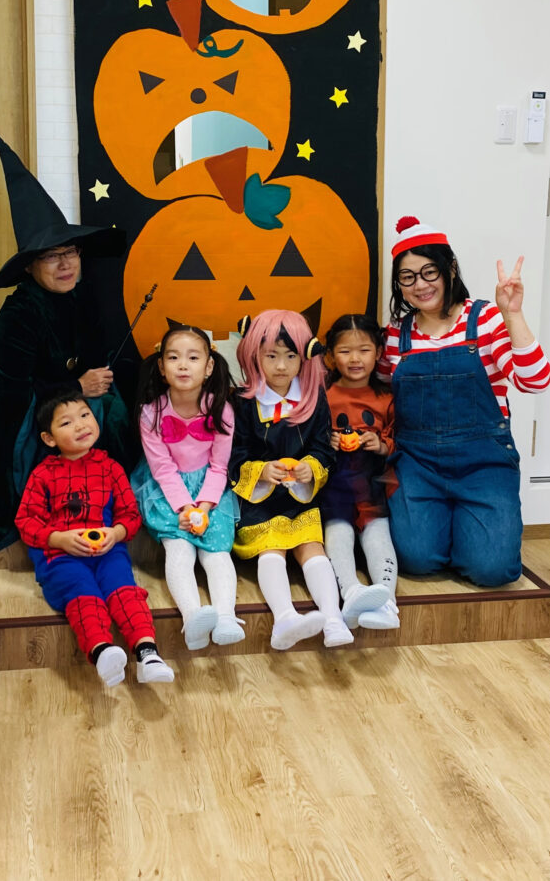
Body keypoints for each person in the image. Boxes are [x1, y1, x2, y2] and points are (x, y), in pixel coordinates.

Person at [0, 115, 129, 550]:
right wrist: (76, 387)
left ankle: (102, 495)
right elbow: (9, 398)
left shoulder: (83, 295)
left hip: (60, 398)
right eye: (52, 256)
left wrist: (92, 385)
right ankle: (44, 505)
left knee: (112, 406)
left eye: (71, 251)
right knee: (83, 408)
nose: (66, 263)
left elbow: (95, 361)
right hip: (5, 412)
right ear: (31, 267)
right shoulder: (18, 316)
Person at [379, 215, 550, 586]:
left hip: (484, 463)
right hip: (418, 463)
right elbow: (380, 392)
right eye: (407, 277)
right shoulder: (396, 334)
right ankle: (450, 530)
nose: (419, 285)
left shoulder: (485, 318)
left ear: (450, 269)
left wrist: (513, 313)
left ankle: (471, 533)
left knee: (493, 570)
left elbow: (536, 381)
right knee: (416, 559)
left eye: (429, 272)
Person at [15, 390, 174, 687]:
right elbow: (26, 521)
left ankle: (147, 653)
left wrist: (116, 533)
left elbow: (130, 515)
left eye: (85, 415)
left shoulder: (110, 467)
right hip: (61, 557)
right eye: (66, 422)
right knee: (83, 592)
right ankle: (102, 650)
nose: (80, 425)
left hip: (108, 551)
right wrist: (58, 539)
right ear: (49, 438)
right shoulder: (43, 475)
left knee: (125, 591)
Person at [229, 310, 353, 650]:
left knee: (312, 548)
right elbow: (234, 453)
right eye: (271, 356)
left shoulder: (315, 399)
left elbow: (323, 448)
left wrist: (310, 468)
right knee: (271, 549)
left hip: (300, 497)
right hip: (260, 500)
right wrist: (260, 470)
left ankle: (333, 618)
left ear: (305, 357)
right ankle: (284, 618)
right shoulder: (242, 403)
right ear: (254, 354)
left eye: (290, 356)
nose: (281, 366)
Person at [131, 326, 244, 651]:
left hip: (210, 489)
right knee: (179, 549)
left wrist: (204, 507)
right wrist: (184, 508)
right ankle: (192, 617)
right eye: (173, 357)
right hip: (168, 491)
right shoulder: (151, 413)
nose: (183, 365)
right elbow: (162, 469)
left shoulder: (221, 409)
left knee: (217, 551)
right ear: (161, 367)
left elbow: (219, 467)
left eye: (193, 358)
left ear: (208, 367)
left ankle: (226, 616)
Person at [321, 314, 399, 630]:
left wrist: (380, 445)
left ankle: (387, 602)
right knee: (337, 531)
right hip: (333, 486)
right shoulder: (321, 395)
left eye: (364, 350)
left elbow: (398, 441)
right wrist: (326, 443)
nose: (355, 359)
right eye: (345, 351)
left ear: (378, 352)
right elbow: (305, 439)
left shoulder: (387, 397)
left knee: (378, 532)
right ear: (330, 356)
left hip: (372, 482)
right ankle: (350, 592)